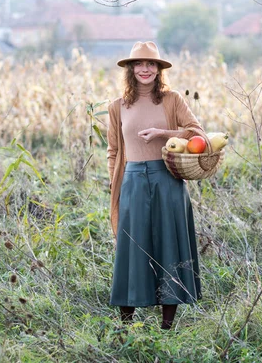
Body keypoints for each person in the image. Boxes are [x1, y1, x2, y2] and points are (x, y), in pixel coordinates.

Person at [106, 41, 203, 330]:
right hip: (132, 180)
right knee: (132, 247)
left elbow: (196, 133)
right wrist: (117, 187)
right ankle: (126, 324)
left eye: (151, 64)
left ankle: (167, 326)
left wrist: (163, 132)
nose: (145, 69)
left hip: (167, 179)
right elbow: (113, 151)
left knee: (168, 245)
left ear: (159, 69)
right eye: (139, 64)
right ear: (131, 69)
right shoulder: (117, 107)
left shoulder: (172, 100)